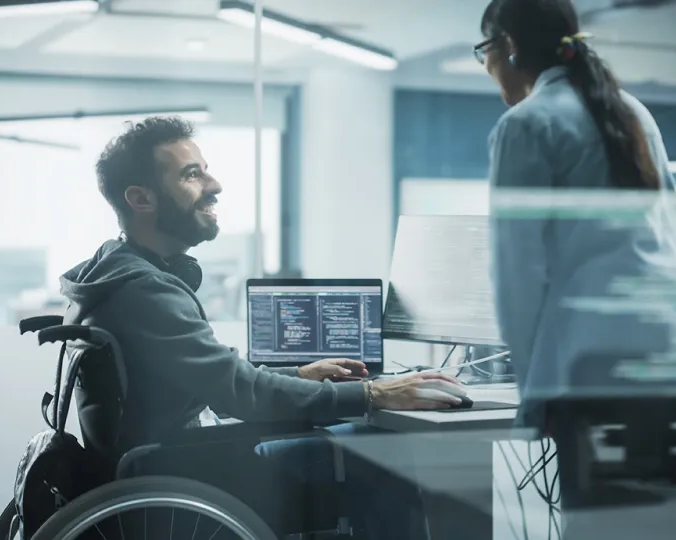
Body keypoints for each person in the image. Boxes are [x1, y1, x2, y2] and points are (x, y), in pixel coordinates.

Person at [59, 116, 463, 539]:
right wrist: (373, 394)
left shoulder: (116, 271)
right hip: (183, 477)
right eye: (192, 174)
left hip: (169, 463)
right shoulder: (145, 291)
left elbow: (217, 380)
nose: (214, 185)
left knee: (351, 434)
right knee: (379, 450)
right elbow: (241, 392)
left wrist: (300, 374)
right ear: (141, 199)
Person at [476, 0, 676, 480]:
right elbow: (675, 236)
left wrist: (533, 395)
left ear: (508, 46)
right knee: (667, 512)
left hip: (601, 369)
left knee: (606, 515)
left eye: (484, 50)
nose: (485, 65)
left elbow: (517, 276)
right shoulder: (631, 111)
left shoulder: (525, 124)